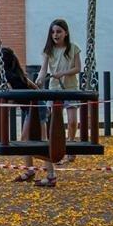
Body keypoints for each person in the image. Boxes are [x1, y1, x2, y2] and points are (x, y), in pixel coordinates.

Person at [1, 47, 58, 187]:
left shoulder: (9, 77)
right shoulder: (18, 74)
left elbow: (11, 96)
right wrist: (44, 104)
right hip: (34, 108)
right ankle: (30, 172)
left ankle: (51, 176)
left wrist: (43, 107)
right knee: (26, 140)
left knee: (42, 142)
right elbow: (34, 88)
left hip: (36, 109)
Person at [36, 19, 82, 162]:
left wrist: (62, 73)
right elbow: (43, 70)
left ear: (66, 33)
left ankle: (71, 145)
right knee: (55, 121)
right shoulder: (48, 50)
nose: (55, 34)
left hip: (70, 88)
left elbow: (78, 68)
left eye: (59, 31)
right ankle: (57, 149)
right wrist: (39, 79)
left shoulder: (73, 48)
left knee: (72, 120)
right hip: (54, 89)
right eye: (53, 32)